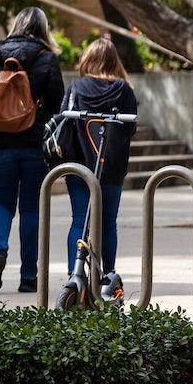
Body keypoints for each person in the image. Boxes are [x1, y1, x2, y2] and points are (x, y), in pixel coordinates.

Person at [0, 6, 64, 293]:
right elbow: (57, 102)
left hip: (0, 140)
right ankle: (28, 277)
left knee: (0, 203)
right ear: (43, 28)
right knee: (30, 208)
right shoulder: (46, 57)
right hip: (34, 142)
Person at [60, 36, 138, 282]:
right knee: (108, 223)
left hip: (79, 164)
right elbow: (131, 127)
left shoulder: (76, 87)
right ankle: (108, 274)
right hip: (111, 166)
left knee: (80, 220)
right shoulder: (124, 89)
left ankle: (75, 274)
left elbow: (64, 120)